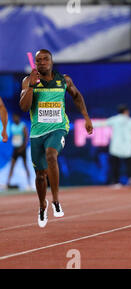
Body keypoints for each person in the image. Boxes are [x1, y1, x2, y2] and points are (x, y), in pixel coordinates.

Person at [19, 49, 93, 228]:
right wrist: (31, 86)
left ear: (51, 62)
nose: (42, 62)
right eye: (39, 60)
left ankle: (56, 201)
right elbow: (23, 107)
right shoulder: (28, 81)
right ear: (35, 63)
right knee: (40, 176)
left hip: (58, 128)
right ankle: (42, 204)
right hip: (37, 132)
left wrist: (86, 117)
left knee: (51, 155)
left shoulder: (63, 80)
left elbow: (76, 96)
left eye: (45, 59)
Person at [93, 104, 131, 188]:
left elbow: (101, 123)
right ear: (126, 111)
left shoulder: (114, 119)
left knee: (115, 165)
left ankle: (116, 182)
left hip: (116, 147)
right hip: (127, 146)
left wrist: (89, 123)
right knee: (129, 164)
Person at [6, 113, 32, 190]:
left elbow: (26, 137)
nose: (14, 119)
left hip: (22, 149)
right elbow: (13, 137)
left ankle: (29, 184)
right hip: (15, 149)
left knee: (25, 165)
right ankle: (8, 183)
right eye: (13, 118)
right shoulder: (12, 126)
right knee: (12, 166)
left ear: (18, 117)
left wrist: (23, 147)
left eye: (16, 117)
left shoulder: (22, 126)